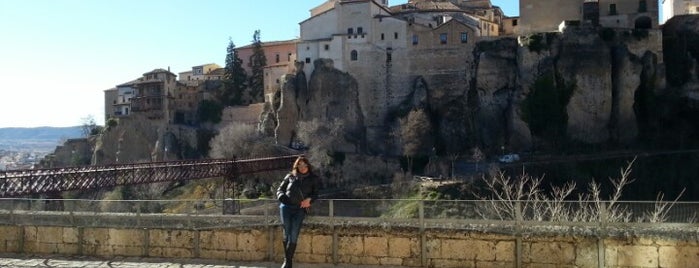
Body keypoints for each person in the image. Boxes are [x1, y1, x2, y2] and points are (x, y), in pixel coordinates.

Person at [276, 156, 319, 268]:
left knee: (294, 234)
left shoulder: (313, 178)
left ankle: (287, 261)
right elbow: (279, 190)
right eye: (299, 165)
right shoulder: (290, 176)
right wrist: (283, 198)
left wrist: (310, 199)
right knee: (286, 233)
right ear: (297, 166)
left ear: (308, 165)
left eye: (304, 164)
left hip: (299, 209)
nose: (302, 167)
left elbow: (316, 194)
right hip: (286, 208)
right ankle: (288, 262)